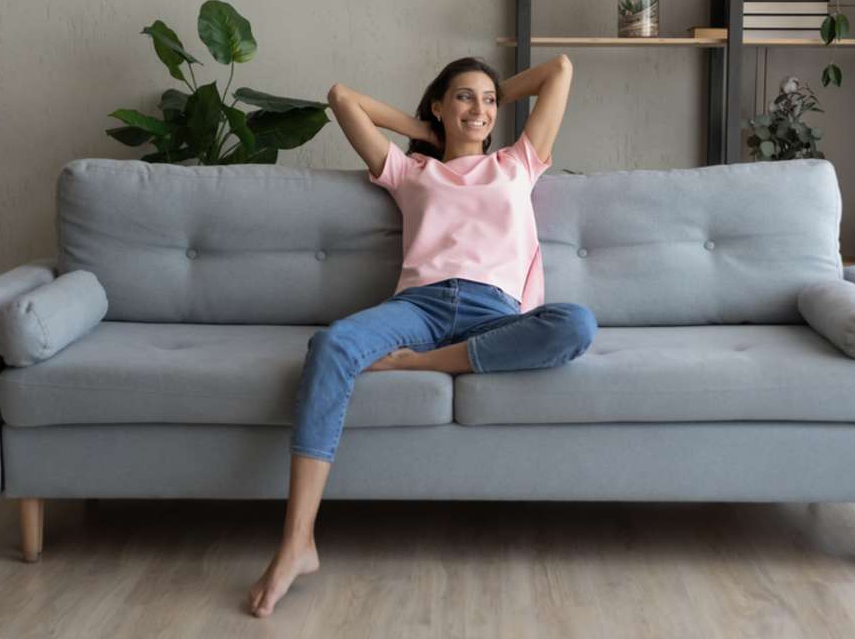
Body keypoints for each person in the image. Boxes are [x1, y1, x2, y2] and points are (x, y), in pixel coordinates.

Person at [246, 54, 597, 618]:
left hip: (497, 310)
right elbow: (342, 97)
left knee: (577, 323)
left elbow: (559, 69)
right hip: (420, 309)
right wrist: (424, 131)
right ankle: (297, 542)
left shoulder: (518, 163)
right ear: (438, 104)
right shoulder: (412, 171)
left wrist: (486, 102)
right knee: (333, 345)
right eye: (462, 96)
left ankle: (421, 364)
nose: (478, 108)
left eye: (486, 99)